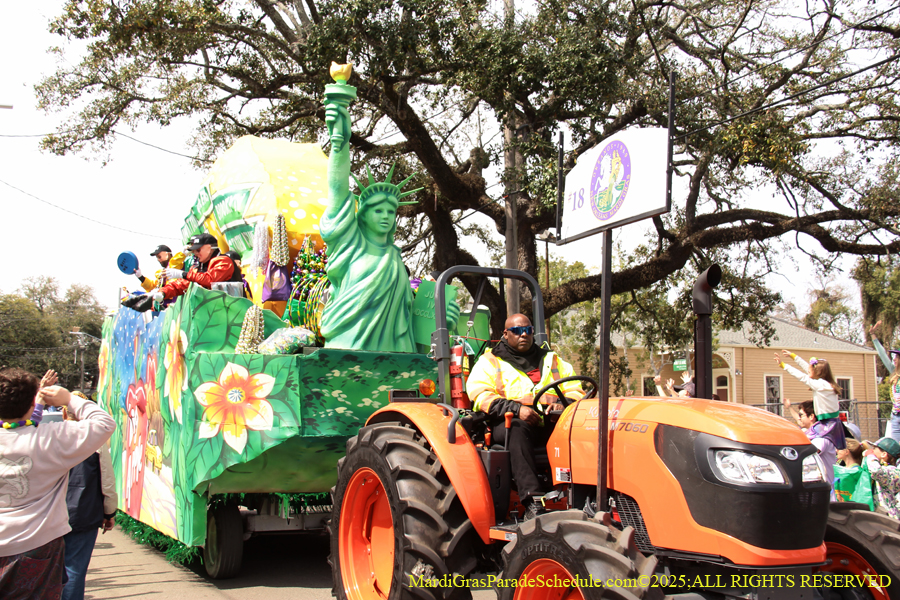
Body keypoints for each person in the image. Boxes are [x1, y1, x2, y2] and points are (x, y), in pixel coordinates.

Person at [319, 68, 457, 352]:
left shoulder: (395, 259)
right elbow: (337, 189)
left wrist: (443, 322)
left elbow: (408, 324)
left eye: (390, 212)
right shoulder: (350, 245)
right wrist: (339, 143)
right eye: (378, 210)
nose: (385, 216)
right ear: (361, 214)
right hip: (349, 357)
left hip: (398, 362)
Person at [0, 368, 115, 599]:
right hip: (38, 546)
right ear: (32, 404)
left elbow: (26, 426)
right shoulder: (53, 437)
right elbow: (104, 424)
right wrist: (69, 399)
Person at [466, 314, 584, 517]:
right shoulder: (490, 362)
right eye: (517, 331)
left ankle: (582, 495)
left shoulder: (552, 359)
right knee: (518, 430)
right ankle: (533, 501)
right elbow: (480, 396)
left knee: (582, 428)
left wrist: (562, 405)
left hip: (550, 421)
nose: (524, 335)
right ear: (505, 334)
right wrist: (517, 409)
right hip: (507, 423)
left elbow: (575, 390)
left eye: (528, 330)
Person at [60, 393, 117, 600]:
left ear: (64, 411)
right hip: (84, 513)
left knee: (48, 570)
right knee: (75, 569)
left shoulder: (50, 436)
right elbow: (107, 481)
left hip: (50, 514)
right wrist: (109, 511)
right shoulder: (95, 441)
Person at [773, 350, 845, 451]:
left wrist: (784, 365)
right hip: (830, 422)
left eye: (810, 370)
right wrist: (794, 357)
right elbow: (807, 367)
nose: (808, 371)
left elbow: (802, 377)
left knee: (811, 441)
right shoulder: (824, 383)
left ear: (817, 372)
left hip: (828, 423)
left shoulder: (820, 385)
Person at [152, 233, 240, 304]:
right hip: (214, 314)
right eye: (193, 251)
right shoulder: (198, 268)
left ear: (210, 248)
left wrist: (183, 274)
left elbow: (210, 280)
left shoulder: (224, 261)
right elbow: (180, 285)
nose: (195, 254)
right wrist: (162, 292)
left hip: (234, 313)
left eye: (198, 250)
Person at [795, 400, 837, 497]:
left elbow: (810, 452)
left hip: (824, 495)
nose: (799, 418)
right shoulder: (810, 434)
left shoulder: (821, 436)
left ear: (811, 416)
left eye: (801, 415)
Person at [868, 321, 900, 442]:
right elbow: (882, 355)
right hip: (896, 416)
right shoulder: (893, 373)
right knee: (896, 447)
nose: (894, 359)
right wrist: (873, 336)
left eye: (897, 357)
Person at [863, 437, 900, 519]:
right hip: (880, 516)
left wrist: (870, 456)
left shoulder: (894, 472)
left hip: (888, 518)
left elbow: (876, 471)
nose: (872, 450)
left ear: (884, 454)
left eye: (874, 448)